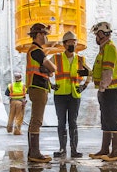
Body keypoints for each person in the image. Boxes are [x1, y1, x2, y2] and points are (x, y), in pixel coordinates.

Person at [52, 31, 92, 158]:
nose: (73, 44)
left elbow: (90, 73)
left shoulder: (81, 59)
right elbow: (44, 70)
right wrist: (50, 85)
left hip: (75, 95)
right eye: (70, 42)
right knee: (61, 122)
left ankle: (74, 150)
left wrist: (84, 86)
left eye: (74, 42)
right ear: (64, 44)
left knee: (73, 122)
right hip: (60, 95)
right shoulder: (56, 58)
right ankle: (62, 149)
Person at [88, 22, 117, 162]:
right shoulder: (104, 49)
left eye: (97, 34)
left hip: (112, 90)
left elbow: (108, 72)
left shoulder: (109, 48)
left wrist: (102, 88)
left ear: (103, 34)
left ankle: (115, 152)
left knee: (113, 120)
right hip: (107, 90)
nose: (96, 37)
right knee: (106, 120)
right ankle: (104, 150)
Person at [25, 23, 56, 163]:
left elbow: (47, 70)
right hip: (37, 87)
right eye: (44, 34)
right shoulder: (36, 50)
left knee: (35, 120)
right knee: (37, 120)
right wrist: (49, 69)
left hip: (38, 87)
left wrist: (47, 70)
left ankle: (33, 152)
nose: (46, 37)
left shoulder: (36, 50)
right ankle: (35, 153)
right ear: (38, 35)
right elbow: (52, 68)